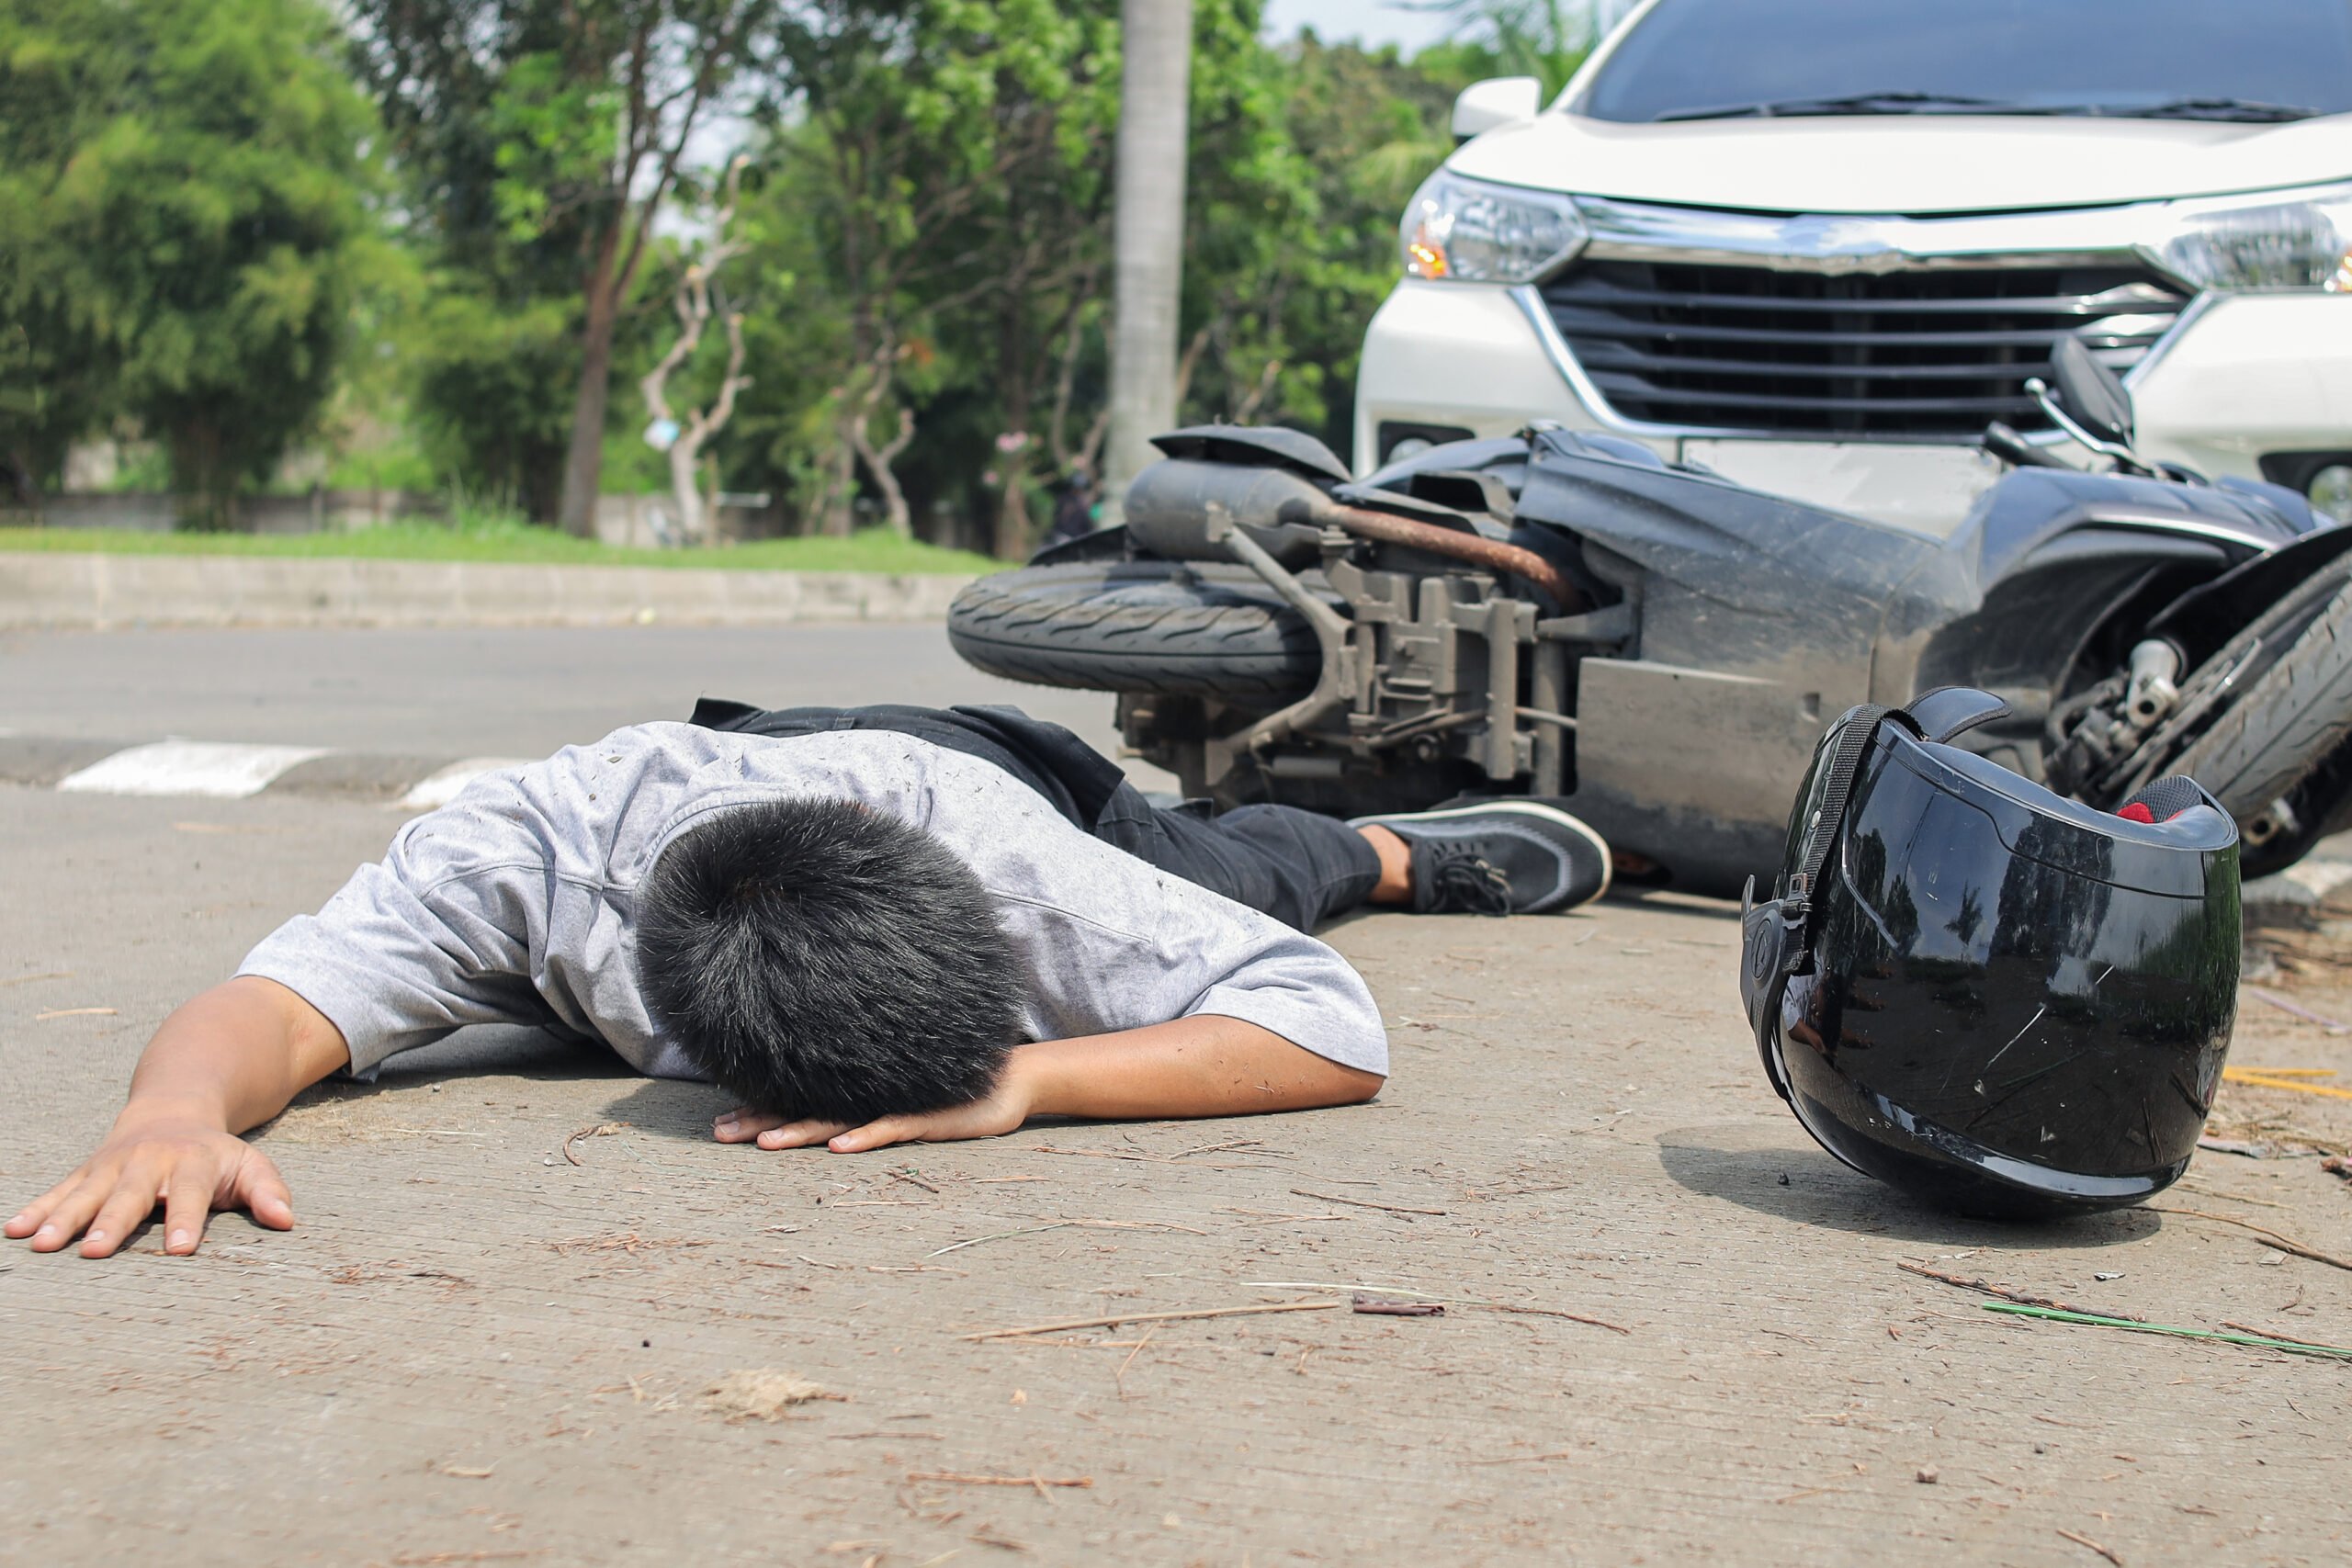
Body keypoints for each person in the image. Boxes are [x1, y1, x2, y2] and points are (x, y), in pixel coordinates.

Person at [6, 700, 1610, 1260]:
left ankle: (1396, 848)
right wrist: (169, 1111)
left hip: (983, 769)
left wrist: (1032, 1081)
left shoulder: (1010, 866)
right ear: (674, 1041)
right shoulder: (523, 863)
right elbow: (278, 1012)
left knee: (1231, 871)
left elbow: (1326, 1024)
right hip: (753, 761)